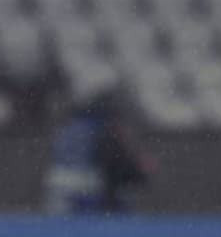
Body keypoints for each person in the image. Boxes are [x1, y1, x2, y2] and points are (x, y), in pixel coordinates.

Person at [42, 87, 152, 215]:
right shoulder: (103, 129)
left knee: (60, 227)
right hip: (88, 185)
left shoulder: (69, 126)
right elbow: (113, 161)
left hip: (58, 181)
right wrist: (138, 173)